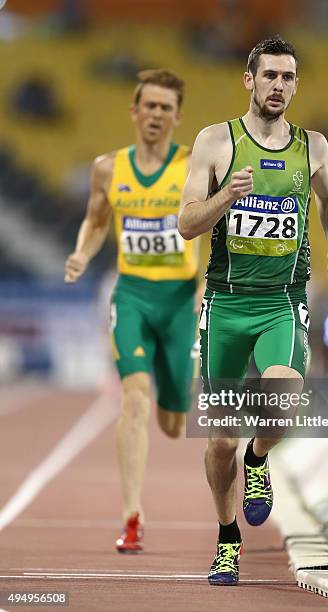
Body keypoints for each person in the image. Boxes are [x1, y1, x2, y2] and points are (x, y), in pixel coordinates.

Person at [178, 36, 328, 585]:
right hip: (226, 306)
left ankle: (259, 459)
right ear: (249, 80)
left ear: (296, 84)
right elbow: (186, 224)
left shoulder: (314, 147)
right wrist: (225, 198)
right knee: (218, 442)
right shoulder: (215, 142)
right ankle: (227, 537)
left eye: (288, 76)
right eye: (270, 75)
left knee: (284, 396)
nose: (278, 85)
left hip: (281, 303)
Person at [65, 69, 204, 554]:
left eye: (167, 107)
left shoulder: (194, 166)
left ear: (177, 116)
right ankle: (131, 515)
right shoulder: (108, 168)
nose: (157, 115)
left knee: (172, 421)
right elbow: (95, 219)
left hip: (180, 302)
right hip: (133, 296)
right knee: (134, 398)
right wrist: (83, 252)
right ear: (135, 110)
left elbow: (215, 227)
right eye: (150, 105)